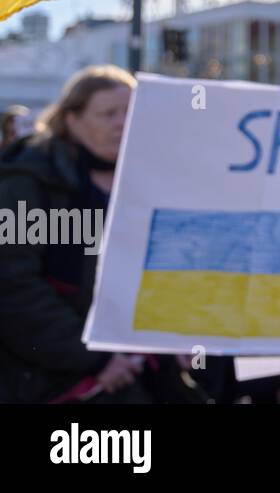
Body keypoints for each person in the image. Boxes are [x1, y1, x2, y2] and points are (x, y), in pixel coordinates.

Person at [0, 66, 201, 403]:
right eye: (108, 114)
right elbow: (13, 285)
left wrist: (178, 333)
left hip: (141, 369)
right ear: (72, 120)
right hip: (52, 377)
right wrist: (95, 358)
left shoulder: (150, 180)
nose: (122, 123)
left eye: (131, 112)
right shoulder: (28, 182)